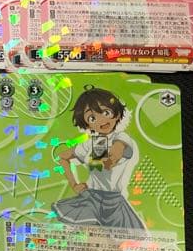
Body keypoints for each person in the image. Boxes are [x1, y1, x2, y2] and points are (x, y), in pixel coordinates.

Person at [53, 86, 145, 230]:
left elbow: (116, 152)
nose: (102, 120)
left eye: (106, 112)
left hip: (114, 202)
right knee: (93, 238)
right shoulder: (89, 144)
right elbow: (63, 157)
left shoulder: (121, 137)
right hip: (91, 198)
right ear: (87, 124)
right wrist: (74, 185)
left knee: (118, 241)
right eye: (92, 118)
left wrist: (110, 160)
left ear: (116, 113)